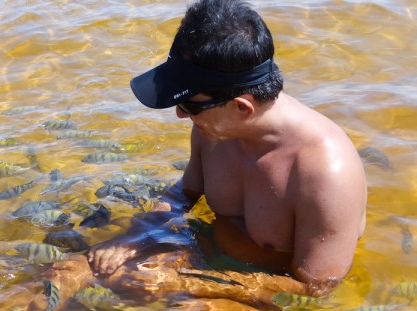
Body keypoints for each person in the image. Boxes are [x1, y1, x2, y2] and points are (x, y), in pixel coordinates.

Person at [89, 0, 367, 293]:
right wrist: (135, 238)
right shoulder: (214, 128)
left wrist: (190, 282)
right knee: (66, 272)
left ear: (241, 108)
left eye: (188, 105)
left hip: (257, 292)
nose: (181, 114)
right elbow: (186, 192)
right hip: (201, 259)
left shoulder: (326, 173)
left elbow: (317, 287)